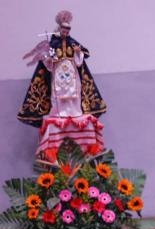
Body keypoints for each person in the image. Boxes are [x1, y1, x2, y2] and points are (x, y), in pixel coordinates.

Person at [18, 10, 106, 159]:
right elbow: (47, 64)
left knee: (74, 93)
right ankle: (59, 113)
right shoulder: (53, 43)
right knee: (58, 93)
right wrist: (50, 58)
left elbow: (80, 60)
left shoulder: (73, 43)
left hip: (71, 73)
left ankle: (74, 112)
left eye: (67, 30)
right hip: (58, 73)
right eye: (63, 30)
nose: (65, 32)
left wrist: (78, 52)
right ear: (59, 29)